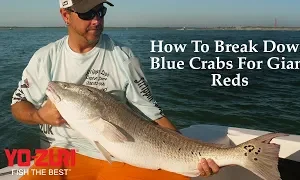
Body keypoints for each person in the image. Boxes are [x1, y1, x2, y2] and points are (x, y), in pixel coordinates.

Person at [11, 0, 220, 179]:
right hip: (61, 153)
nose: (96, 20)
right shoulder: (44, 58)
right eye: (87, 13)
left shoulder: (123, 57)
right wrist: (39, 116)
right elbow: (18, 104)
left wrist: (192, 154)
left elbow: (154, 114)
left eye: (100, 11)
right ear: (65, 15)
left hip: (118, 154)